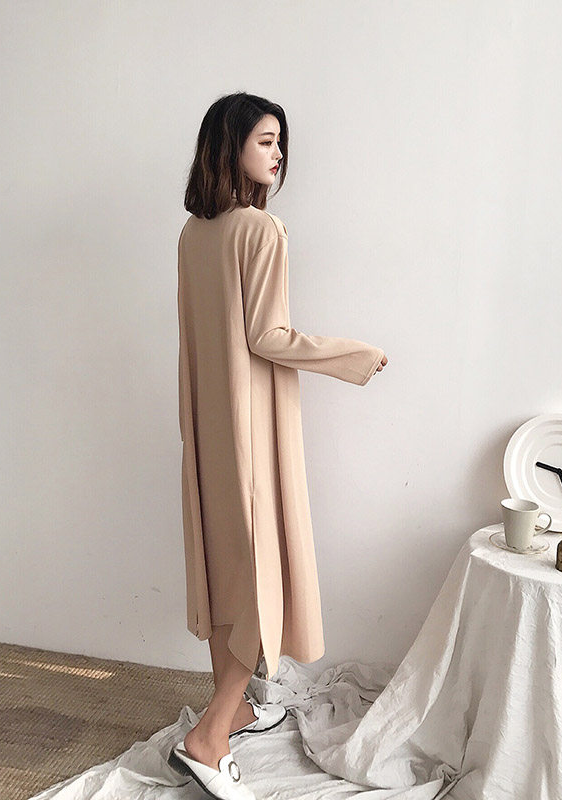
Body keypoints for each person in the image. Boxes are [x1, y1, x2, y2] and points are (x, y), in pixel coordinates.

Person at [171, 91, 387, 800]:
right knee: (261, 575)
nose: (278, 153)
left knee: (226, 568)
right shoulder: (259, 230)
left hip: (208, 425)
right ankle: (209, 737)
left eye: (279, 142)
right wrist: (354, 355)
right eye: (265, 140)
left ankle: (231, 713)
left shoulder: (194, 234)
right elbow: (267, 337)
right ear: (230, 145)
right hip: (252, 427)